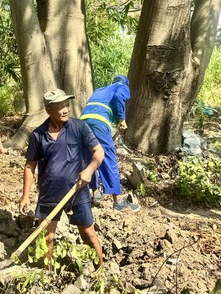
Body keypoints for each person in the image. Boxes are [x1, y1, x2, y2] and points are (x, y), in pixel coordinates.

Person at [19, 89, 105, 267]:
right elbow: (30, 166)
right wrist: (25, 196)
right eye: (60, 107)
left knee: (88, 234)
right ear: (49, 110)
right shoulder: (38, 135)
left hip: (77, 192)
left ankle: (100, 269)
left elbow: (98, 151)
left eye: (67, 105)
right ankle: (47, 274)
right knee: (47, 237)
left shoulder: (79, 127)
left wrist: (89, 170)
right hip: (49, 193)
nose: (66, 109)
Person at [81, 75, 140, 212]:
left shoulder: (101, 90)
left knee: (91, 157)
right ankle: (118, 201)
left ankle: (95, 193)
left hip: (84, 121)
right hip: (99, 123)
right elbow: (119, 97)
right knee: (109, 158)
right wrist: (121, 119)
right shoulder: (121, 87)